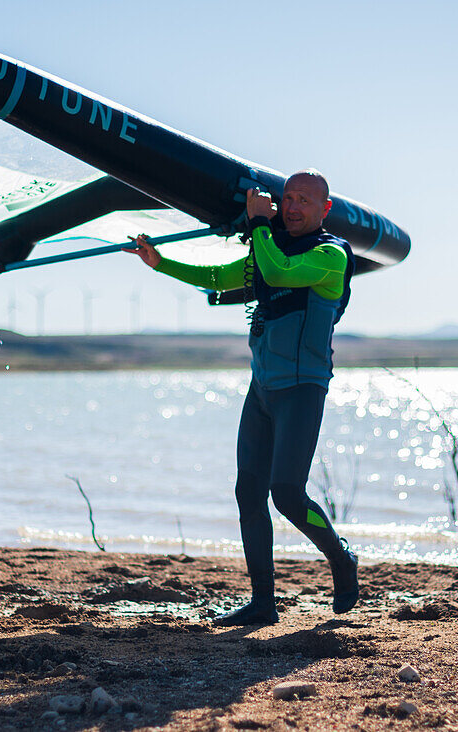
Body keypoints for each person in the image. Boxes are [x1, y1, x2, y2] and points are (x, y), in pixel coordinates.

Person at [125, 169, 359, 626]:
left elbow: (277, 271)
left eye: (304, 201)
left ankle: (340, 558)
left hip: (302, 389)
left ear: (324, 209)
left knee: (288, 494)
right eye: (287, 198)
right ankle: (262, 603)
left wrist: (257, 223)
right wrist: (161, 262)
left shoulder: (330, 255)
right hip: (262, 391)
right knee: (248, 491)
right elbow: (218, 276)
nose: (293, 207)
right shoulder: (270, 247)